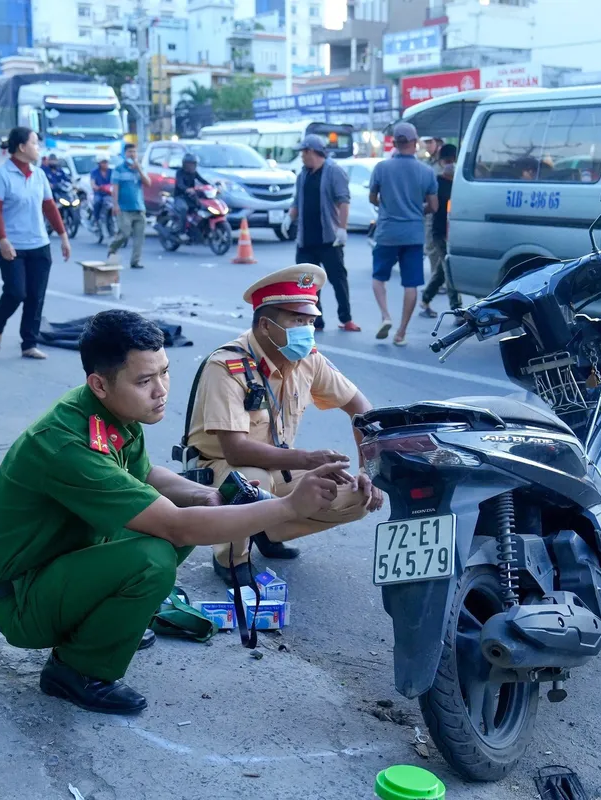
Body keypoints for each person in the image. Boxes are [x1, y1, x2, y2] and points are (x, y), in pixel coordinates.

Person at [0, 309, 347, 713]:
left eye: (164, 373)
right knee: (154, 556)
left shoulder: (109, 409)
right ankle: (76, 670)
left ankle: (109, 624)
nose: (161, 391)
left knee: (190, 507)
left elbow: (144, 474)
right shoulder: (66, 443)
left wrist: (206, 497)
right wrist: (289, 506)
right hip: (23, 599)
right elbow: (176, 527)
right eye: (144, 381)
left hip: (65, 562)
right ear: (99, 383)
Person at [186, 265, 384, 586]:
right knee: (252, 479)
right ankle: (231, 557)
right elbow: (236, 452)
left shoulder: (308, 359)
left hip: (279, 465)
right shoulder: (228, 366)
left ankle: (264, 528)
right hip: (221, 470)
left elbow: (362, 409)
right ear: (265, 326)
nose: (307, 329)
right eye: (296, 321)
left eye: (310, 321)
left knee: (356, 494)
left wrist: (367, 471)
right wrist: (308, 460)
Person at [0, 126, 71, 360]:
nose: (38, 148)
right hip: (12, 245)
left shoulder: (39, 174)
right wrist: (3, 240)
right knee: (15, 292)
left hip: (39, 244)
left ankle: (29, 343)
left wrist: (63, 236)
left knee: (36, 295)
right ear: (22, 147)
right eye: (35, 143)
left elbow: (49, 207)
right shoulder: (0, 174)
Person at [369, 121, 438, 347]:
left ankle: (385, 316)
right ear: (415, 142)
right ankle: (401, 333)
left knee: (379, 278)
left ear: (395, 143)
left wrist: (387, 205)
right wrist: (417, 210)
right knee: (411, 284)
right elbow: (434, 206)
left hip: (387, 232)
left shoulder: (381, 168)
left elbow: (373, 198)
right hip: (413, 234)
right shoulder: (426, 171)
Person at [290, 134, 360, 333]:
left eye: (304, 152)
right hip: (306, 239)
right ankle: (315, 319)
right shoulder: (302, 175)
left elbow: (343, 201)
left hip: (329, 238)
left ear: (312, 152)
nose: (302, 156)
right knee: (307, 283)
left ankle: (346, 319)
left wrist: (342, 228)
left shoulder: (333, 172)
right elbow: (297, 202)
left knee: (338, 279)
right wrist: (290, 217)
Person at [420, 144, 461, 317]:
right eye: (447, 161)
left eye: (453, 161)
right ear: (442, 162)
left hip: (456, 232)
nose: (450, 164)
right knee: (449, 268)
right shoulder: (436, 182)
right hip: (439, 232)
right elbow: (427, 204)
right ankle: (457, 310)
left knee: (441, 271)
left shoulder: (461, 182)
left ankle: (425, 299)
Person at [108, 142, 150, 269]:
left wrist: (139, 169)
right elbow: (115, 189)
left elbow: (148, 183)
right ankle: (112, 248)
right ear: (124, 154)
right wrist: (115, 205)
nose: (132, 154)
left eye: (134, 152)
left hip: (139, 207)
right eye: (129, 152)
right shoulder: (119, 169)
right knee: (125, 233)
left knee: (139, 237)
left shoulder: (139, 168)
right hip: (124, 208)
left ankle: (135, 261)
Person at [89, 156, 114, 234]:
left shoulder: (111, 171)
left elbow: (115, 182)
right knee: (97, 202)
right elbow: (92, 183)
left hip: (109, 194)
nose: (105, 164)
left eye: (106, 162)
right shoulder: (94, 172)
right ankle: (96, 220)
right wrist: (96, 187)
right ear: (99, 163)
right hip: (99, 193)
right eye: (103, 162)